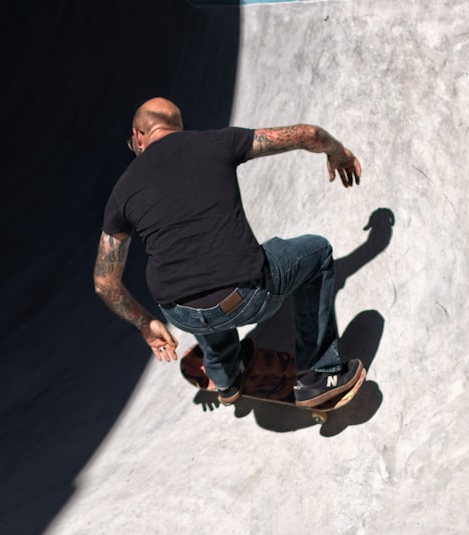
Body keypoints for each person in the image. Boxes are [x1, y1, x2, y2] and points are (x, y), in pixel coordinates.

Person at [93, 97, 364, 407]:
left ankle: (225, 376)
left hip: (180, 313)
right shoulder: (214, 142)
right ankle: (318, 374)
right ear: (178, 128)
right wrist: (339, 153)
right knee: (317, 252)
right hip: (245, 298)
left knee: (191, 276)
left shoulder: (122, 191)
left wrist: (146, 324)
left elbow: (104, 283)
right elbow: (308, 135)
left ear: (138, 136)